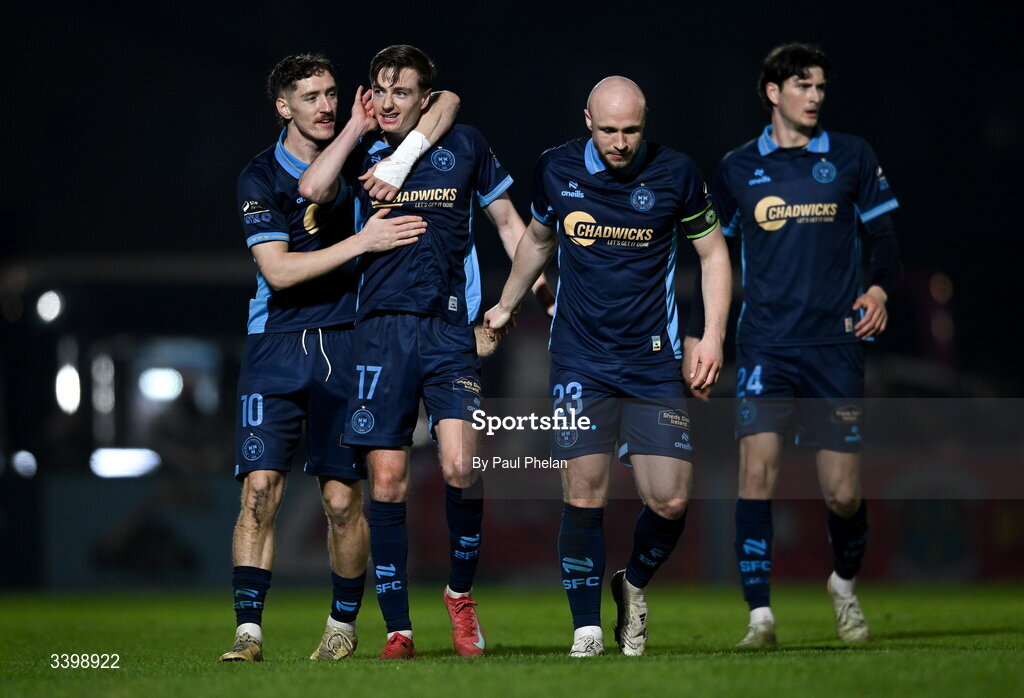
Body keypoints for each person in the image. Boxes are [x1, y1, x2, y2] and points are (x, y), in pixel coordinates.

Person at [301, 44, 550, 660]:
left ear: (425, 98)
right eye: (379, 90)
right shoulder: (361, 146)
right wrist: (356, 124)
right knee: (386, 482)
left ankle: (460, 598)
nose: (388, 102)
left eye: (402, 92)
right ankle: (398, 629)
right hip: (379, 332)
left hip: (447, 331)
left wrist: (535, 283)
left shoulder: (464, 145)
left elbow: (509, 223)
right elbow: (314, 185)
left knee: (463, 467)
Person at [221, 52, 458, 663]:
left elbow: (450, 101)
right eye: (311, 97)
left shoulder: (365, 152)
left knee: (341, 500)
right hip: (275, 344)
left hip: (351, 340)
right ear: (284, 108)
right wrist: (365, 239)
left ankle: (342, 625)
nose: (326, 106)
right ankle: (248, 635)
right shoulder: (257, 177)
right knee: (259, 490)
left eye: (332, 94)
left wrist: (377, 139)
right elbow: (277, 271)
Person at [483, 76, 732, 657]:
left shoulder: (676, 174)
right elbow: (539, 241)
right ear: (587, 120)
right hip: (579, 357)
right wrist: (505, 304)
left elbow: (714, 253)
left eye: (632, 130)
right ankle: (587, 631)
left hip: (652, 363)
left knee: (669, 501)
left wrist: (713, 337)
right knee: (584, 493)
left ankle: (633, 586)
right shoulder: (556, 169)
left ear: (647, 123)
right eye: (609, 130)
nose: (620, 143)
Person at [684, 42, 900, 647]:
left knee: (842, 491)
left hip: (835, 346)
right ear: (774, 92)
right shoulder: (736, 169)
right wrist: (706, 335)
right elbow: (712, 257)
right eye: (804, 85)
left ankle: (843, 583)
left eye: (822, 87)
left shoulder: (852, 157)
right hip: (766, 345)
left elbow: (883, 236)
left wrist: (879, 289)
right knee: (756, 474)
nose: (815, 97)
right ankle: (760, 616)